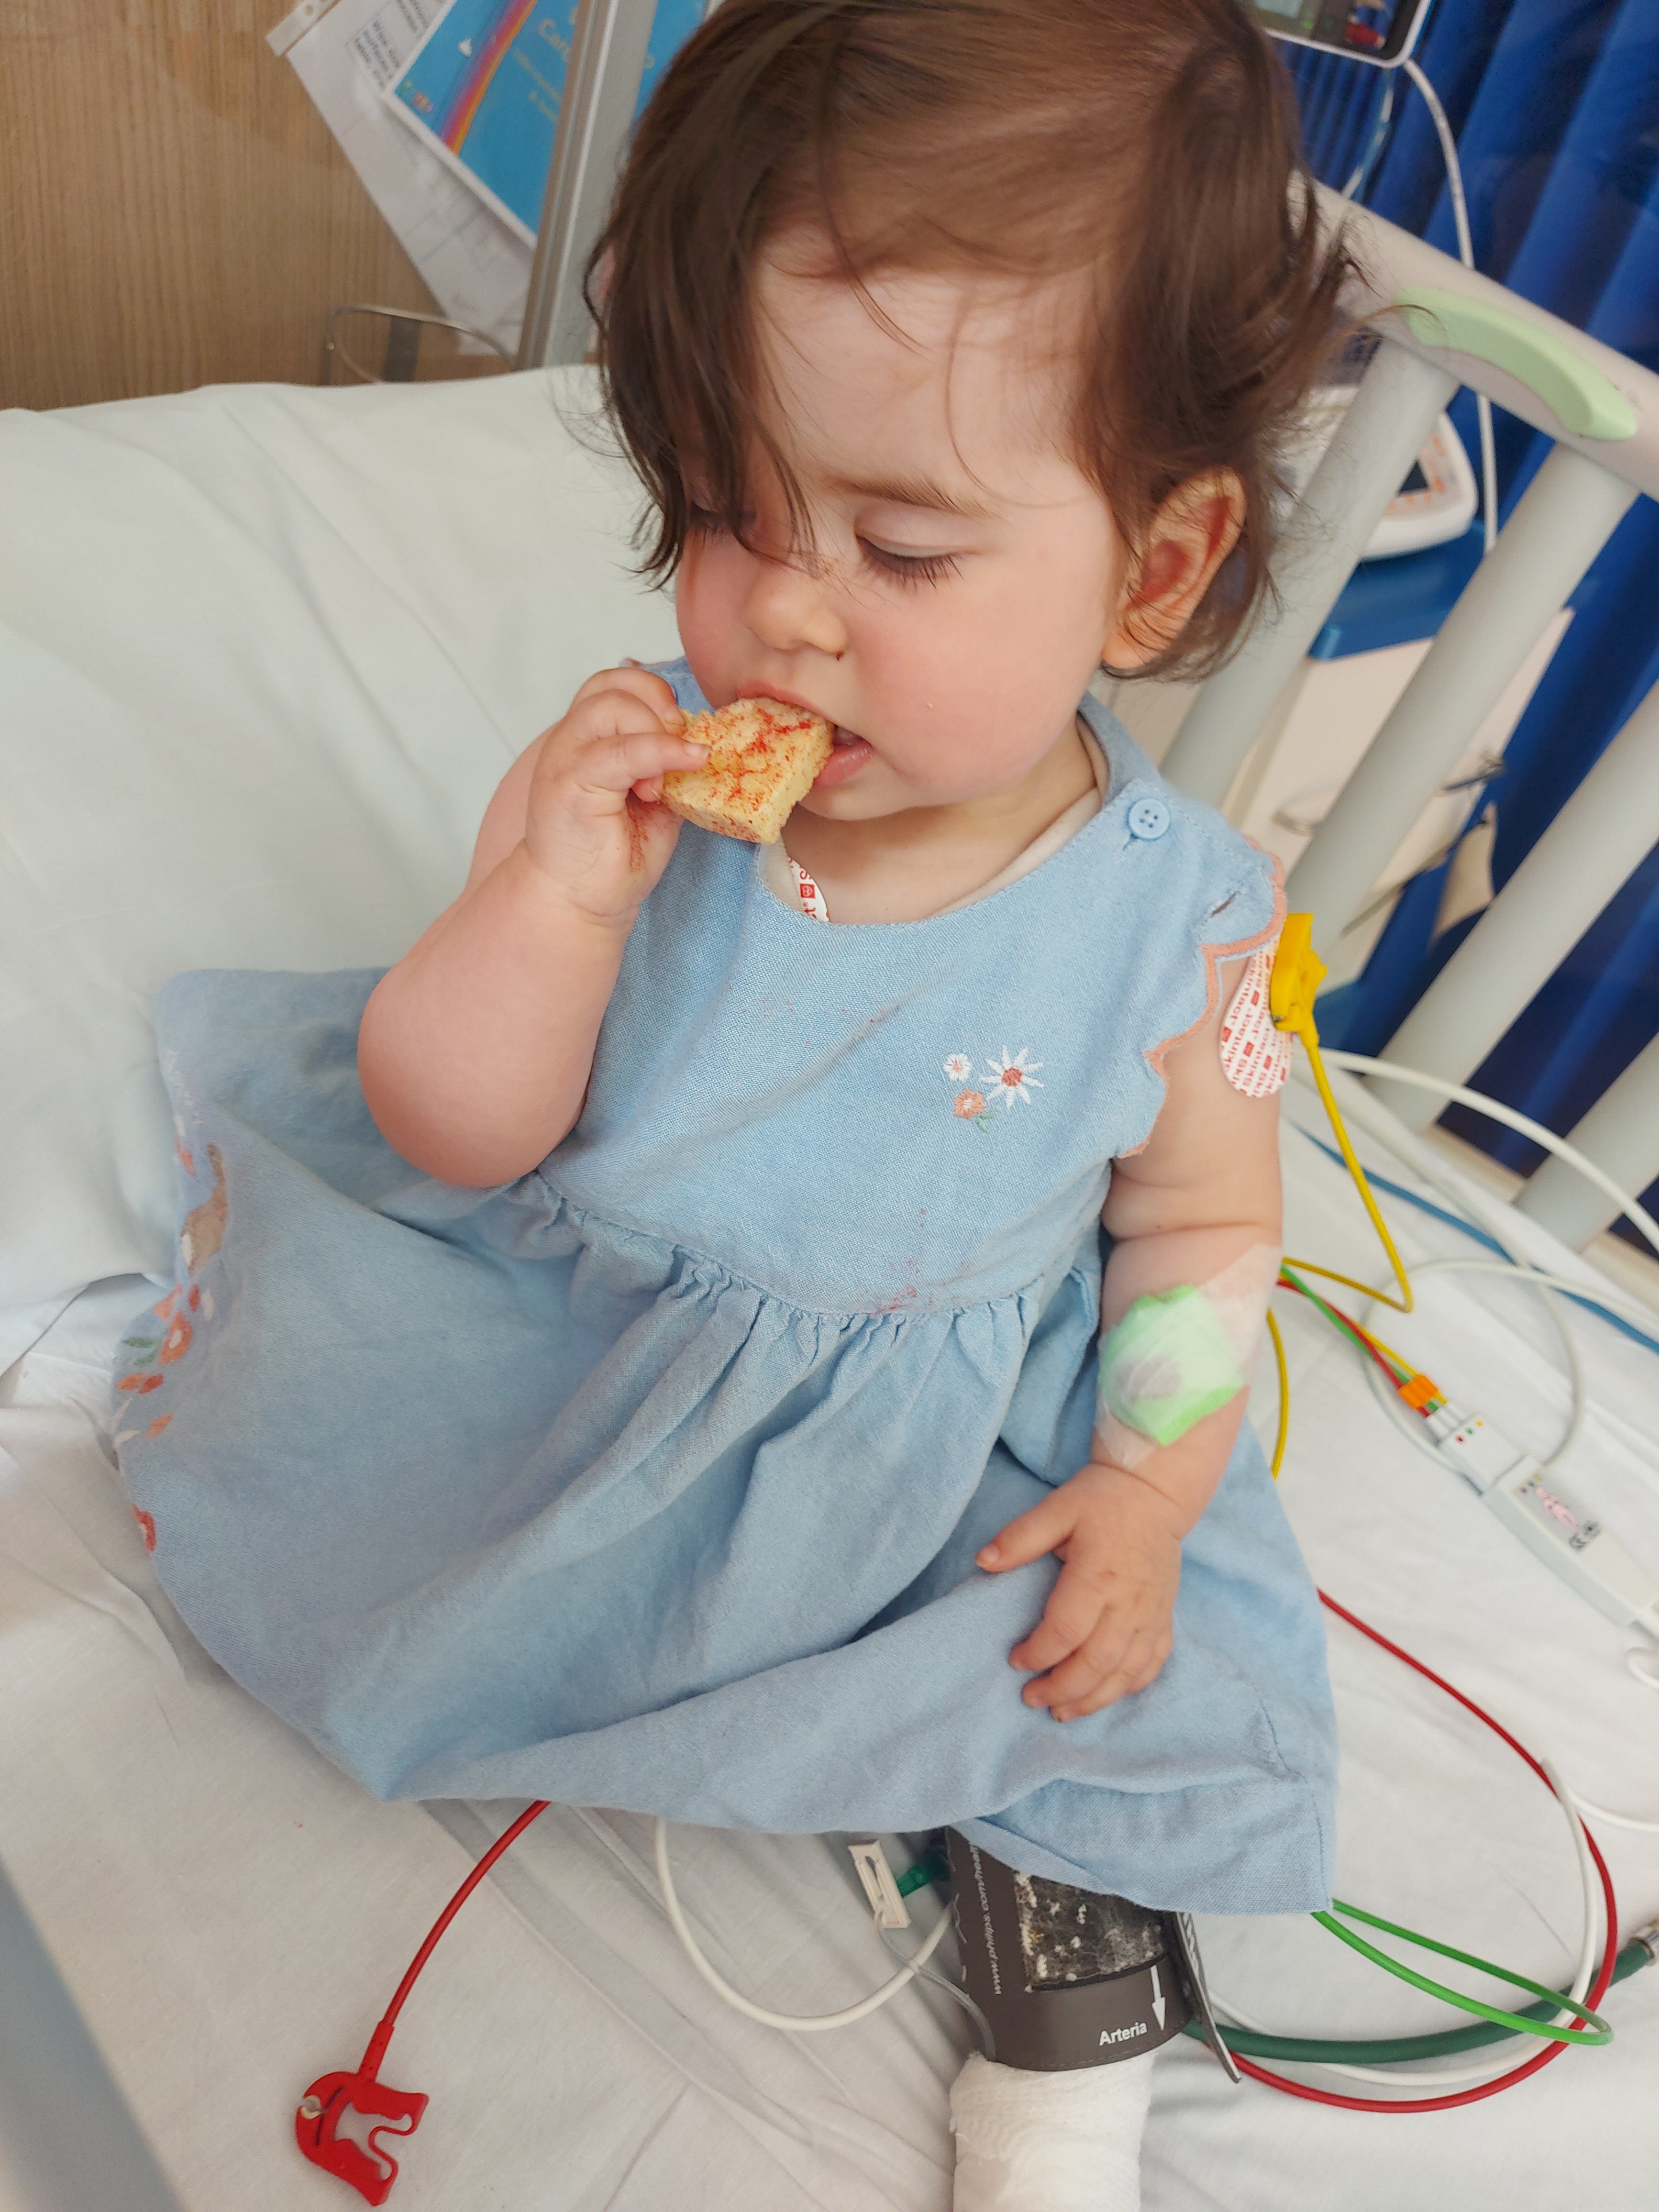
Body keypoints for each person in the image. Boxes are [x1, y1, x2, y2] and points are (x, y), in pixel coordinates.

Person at [115, 3, 1351, 2202]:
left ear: (1153, 572)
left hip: (932, 1436)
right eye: (719, 508)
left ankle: (1068, 2029)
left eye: (903, 548)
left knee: (1120, 1690)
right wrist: (548, 904)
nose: (781, 612)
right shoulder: (636, 788)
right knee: (357, 1513)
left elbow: (1201, 1231)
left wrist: (1150, 1485)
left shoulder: (1189, 934)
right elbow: (454, 1123)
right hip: (585, 1325)